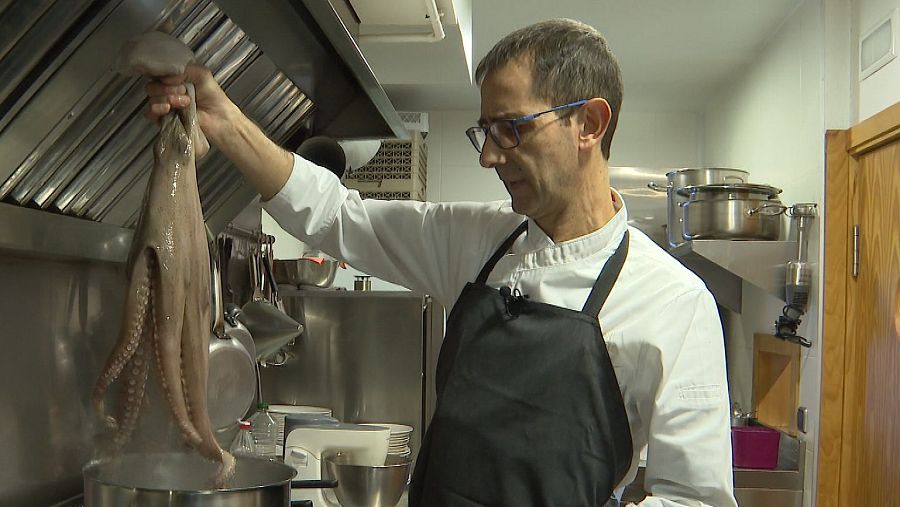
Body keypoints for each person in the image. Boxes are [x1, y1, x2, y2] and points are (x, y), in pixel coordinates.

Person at [147, 18, 737, 507]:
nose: (488, 156)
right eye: (484, 131)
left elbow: (696, 499)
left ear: (590, 123)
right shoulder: (481, 240)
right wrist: (224, 120)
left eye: (511, 129)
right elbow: (339, 217)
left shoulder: (674, 304)